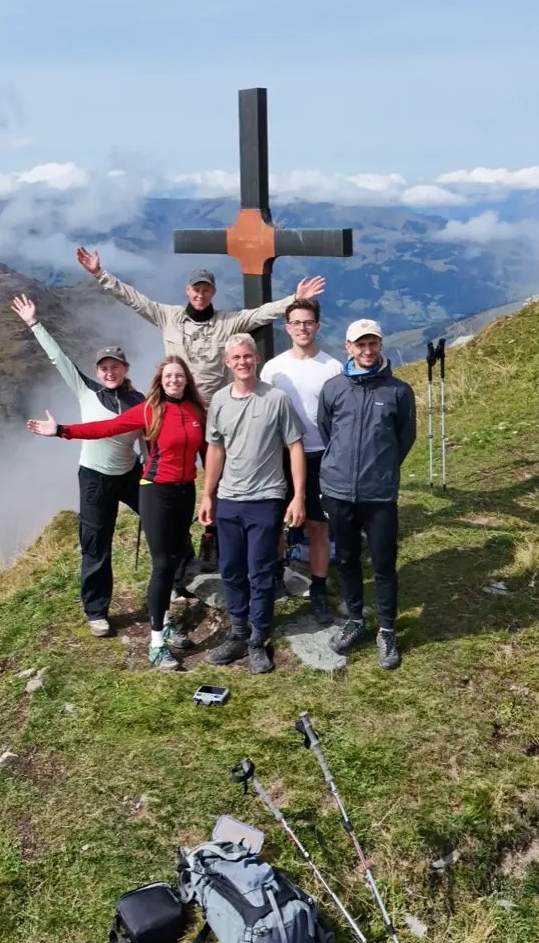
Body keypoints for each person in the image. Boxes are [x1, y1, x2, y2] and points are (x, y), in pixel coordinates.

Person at [27, 356, 207, 672]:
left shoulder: (195, 411)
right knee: (162, 563)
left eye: (179, 376)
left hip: (185, 491)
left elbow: (210, 451)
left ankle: (164, 623)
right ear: (160, 380)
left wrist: (216, 492)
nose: (174, 380)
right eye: (168, 376)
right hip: (154, 489)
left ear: (187, 380)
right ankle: (155, 645)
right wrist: (61, 430)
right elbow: (106, 428)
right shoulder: (149, 408)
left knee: (175, 554)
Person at [11, 294, 144, 638]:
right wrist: (34, 323)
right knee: (96, 545)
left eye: (115, 366)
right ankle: (97, 611)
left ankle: (177, 579)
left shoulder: (141, 401)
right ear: (98, 371)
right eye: (104, 367)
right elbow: (59, 359)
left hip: (131, 475)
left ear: (125, 369)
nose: (109, 371)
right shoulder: (87, 391)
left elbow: (148, 438)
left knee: (163, 520)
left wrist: (154, 472)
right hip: (95, 479)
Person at [74, 246, 325, 405]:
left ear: (213, 292)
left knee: (217, 465)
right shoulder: (167, 316)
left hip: (214, 407)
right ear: (188, 290)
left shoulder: (228, 322)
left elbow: (261, 314)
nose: (200, 295)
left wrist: (296, 299)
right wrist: (100, 274)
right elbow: (134, 300)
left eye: (205, 290)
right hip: (176, 403)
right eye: (196, 289)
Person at [199, 334, 305, 674]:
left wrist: (298, 496)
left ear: (256, 358)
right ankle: (238, 633)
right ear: (228, 364)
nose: (243, 362)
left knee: (260, 571)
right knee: (230, 569)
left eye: (248, 356)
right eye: (236, 358)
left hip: (266, 498)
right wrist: (207, 494)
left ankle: (258, 639)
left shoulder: (276, 399)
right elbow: (215, 449)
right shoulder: (218, 401)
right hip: (229, 499)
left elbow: (295, 447)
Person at [316, 319, 416, 672]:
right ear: (348, 347)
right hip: (339, 490)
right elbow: (326, 431)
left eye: (372, 343)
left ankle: (387, 629)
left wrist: (383, 469)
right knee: (345, 558)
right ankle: (356, 619)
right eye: (360, 344)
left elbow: (405, 438)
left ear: (381, 345)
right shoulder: (333, 389)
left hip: (379, 493)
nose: (367, 350)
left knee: (385, 563)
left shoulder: (399, 391)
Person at [260, 297, 342, 625]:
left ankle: (319, 588)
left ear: (317, 326)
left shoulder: (333, 367)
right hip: (280, 454)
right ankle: (279, 576)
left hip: (322, 454)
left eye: (308, 322)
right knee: (277, 519)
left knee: (318, 525)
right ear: (287, 327)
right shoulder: (274, 368)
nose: (303, 328)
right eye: (296, 323)